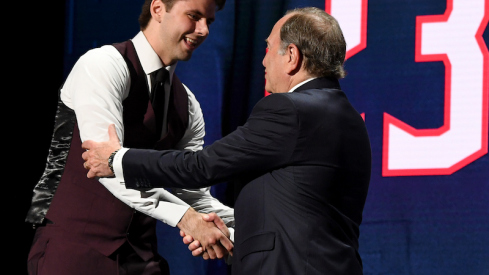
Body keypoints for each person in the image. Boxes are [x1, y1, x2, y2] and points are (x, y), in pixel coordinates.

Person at [83, 6, 372, 275]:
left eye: (269, 48)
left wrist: (116, 159)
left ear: (292, 56)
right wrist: (234, 238)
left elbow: (200, 167)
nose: (263, 60)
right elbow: (299, 211)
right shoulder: (349, 120)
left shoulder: (290, 109)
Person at [25, 0, 235, 274]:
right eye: (194, 16)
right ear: (158, 9)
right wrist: (186, 218)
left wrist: (247, 230)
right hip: (73, 253)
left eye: (209, 21)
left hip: (141, 259)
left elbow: (194, 193)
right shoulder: (102, 65)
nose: (204, 30)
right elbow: (105, 167)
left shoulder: (188, 104)